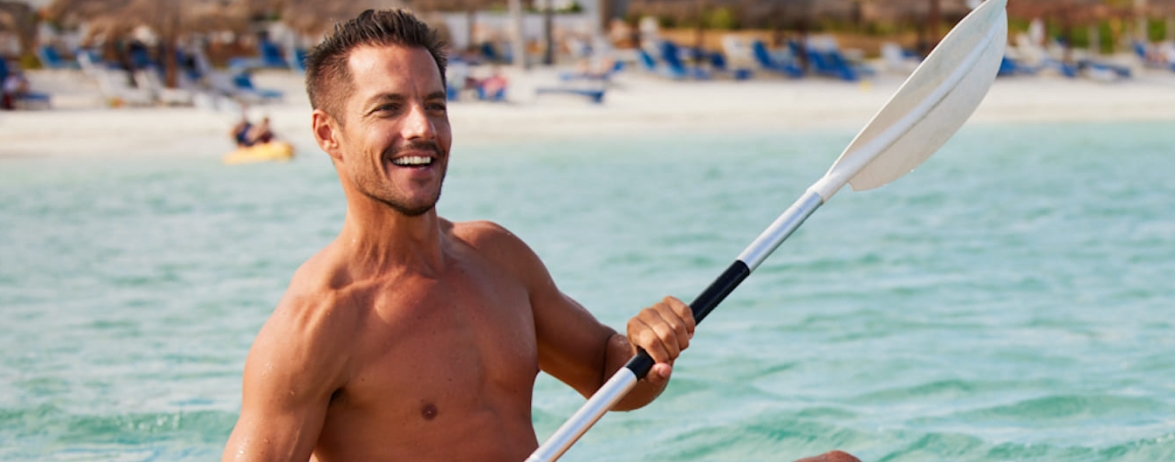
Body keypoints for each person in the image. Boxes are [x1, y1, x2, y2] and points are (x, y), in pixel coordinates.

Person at [220, 10, 856, 462]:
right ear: (328, 133)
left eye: (435, 106)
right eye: (388, 109)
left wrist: (648, 349)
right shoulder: (319, 323)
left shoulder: (495, 257)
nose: (422, 128)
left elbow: (610, 377)